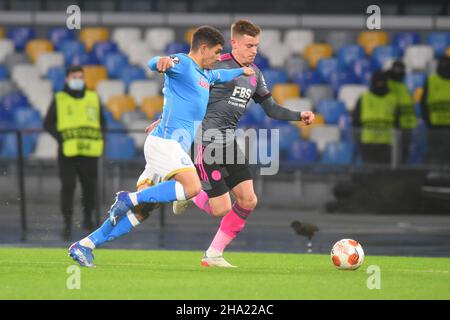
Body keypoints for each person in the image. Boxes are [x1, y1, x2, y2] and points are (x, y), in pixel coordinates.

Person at [68, 25, 255, 267]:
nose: (220, 58)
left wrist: (243, 70)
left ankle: (85, 245)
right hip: (165, 144)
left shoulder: (205, 75)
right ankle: (129, 197)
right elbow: (156, 62)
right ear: (203, 48)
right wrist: (161, 61)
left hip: (166, 147)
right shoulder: (184, 64)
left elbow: (222, 75)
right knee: (192, 187)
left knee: (143, 211)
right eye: (217, 52)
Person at [148, 19, 315, 267]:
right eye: (249, 45)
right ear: (234, 43)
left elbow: (270, 108)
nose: (254, 50)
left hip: (228, 140)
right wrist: (164, 119)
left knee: (248, 200)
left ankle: (213, 254)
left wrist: (297, 115)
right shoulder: (215, 65)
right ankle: (188, 191)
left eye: (257, 45)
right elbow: (187, 93)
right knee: (220, 209)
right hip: (204, 140)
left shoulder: (255, 74)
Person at [43, 65, 106, 240]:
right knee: (68, 187)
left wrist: (99, 139)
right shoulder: (60, 98)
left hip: (89, 152)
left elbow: (103, 123)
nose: (78, 80)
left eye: (80, 77)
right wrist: (62, 138)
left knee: (89, 188)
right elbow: (47, 123)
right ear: (67, 79)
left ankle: (88, 221)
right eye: (74, 77)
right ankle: (67, 223)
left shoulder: (93, 97)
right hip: (68, 153)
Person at [352, 71, 399, 165]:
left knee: (385, 174)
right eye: (377, 82)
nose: (380, 84)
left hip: (387, 143)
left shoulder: (393, 99)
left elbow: (398, 123)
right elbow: (356, 121)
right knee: (370, 172)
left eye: (382, 82)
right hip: (368, 143)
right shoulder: (364, 99)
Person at [421, 55, 450, 166]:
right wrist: (429, 123)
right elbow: (423, 104)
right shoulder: (431, 81)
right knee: (435, 157)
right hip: (434, 129)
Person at [386, 60, 417, 163]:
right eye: (396, 69)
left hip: (406, 127)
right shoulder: (388, 84)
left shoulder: (404, 86)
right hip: (394, 128)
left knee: (403, 157)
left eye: (401, 69)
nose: (399, 72)